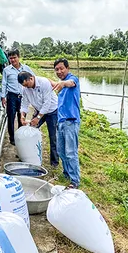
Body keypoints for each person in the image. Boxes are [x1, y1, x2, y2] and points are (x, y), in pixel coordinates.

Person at [17, 71, 59, 167]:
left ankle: (54, 162)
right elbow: (24, 103)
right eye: (24, 86)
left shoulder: (44, 83)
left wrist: (38, 118)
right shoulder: (25, 88)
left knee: (53, 137)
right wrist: (22, 116)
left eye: (27, 85)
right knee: (30, 130)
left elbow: (47, 103)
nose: (26, 87)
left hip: (52, 111)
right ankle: (28, 155)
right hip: (39, 109)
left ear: (31, 78)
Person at [52, 58, 81, 188]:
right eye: (56, 69)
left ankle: (75, 180)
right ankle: (67, 173)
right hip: (61, 122)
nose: (59, 71)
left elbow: (70, 83)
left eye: (61, 68)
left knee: (71, 152)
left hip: (71, 122)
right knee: (61, 151)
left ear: (67, 68)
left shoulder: (73, 79)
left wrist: (63, 83)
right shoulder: (60, 84)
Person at [1, 49, 33, 145]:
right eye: (11, 58)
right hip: (11, 96)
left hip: (23, 97)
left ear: (18, 57)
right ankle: (12, 138)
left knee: (21, 116)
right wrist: (3, 97)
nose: (13, 60)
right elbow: (4, 84)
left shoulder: (26, 69)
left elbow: (34, 79)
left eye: (14, 57)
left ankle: (20, 136)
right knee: (11, 117)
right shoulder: (6, 70)